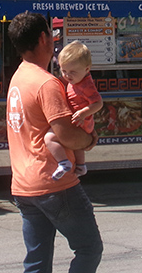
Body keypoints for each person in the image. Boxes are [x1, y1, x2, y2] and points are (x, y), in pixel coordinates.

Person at [7, 12, 103, 273]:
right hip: (53, 183)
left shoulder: (18, 77)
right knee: (89, 248)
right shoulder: (46, 83)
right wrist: (91, 139)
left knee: (37, 263)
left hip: (24, 185)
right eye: (50, 33)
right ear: (43, 38)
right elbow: (68, 136)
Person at [44, 41, 103, 179]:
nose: (67, 75)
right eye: (64, 71)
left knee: (50, 138)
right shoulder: (76, 80)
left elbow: (98, 103)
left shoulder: (86, 85)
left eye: (72, 72)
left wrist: (84, 112)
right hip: (79, 121)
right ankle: (81, 166)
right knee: (78, 147)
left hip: (81, 121)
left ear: (87, 69)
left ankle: (63, 162)